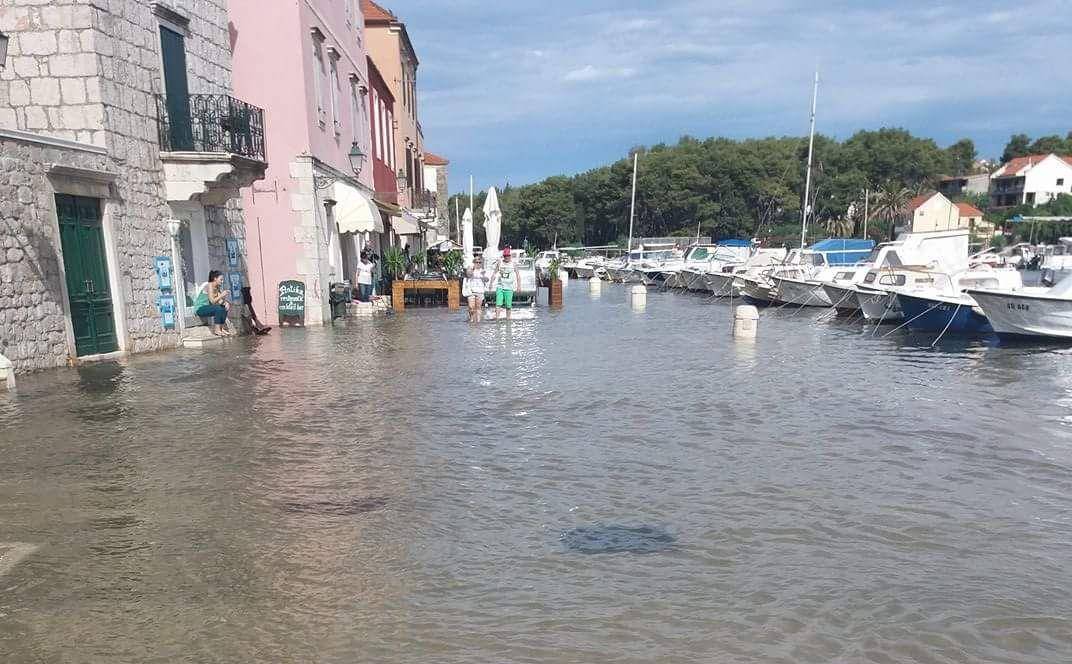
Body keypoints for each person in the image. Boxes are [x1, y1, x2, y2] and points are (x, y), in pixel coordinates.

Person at [193, 270, 233, 337]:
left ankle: (221, 328)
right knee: (218, 308)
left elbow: (219, 301)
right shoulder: (209, 285)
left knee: (224, 307)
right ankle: (217, 330)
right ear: (215, 279)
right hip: (200, 309)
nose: (222, 282)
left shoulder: (217, 287)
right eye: (221, 280)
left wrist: (226, 303)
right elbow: (212, 301)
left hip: (208, 308)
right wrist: (221, 295)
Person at [492, 247, 518, 320]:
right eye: (505, 256)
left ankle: (508, 319)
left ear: (510, 256)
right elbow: (494, 273)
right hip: (500, 286)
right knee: (498, 304)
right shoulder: (500, 263)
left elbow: (518, 275)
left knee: (508, 306)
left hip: (509, 288)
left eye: (508, 256)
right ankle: (497, 318)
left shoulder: (513, 264)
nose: (506, 257)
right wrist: (491, 283)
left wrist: (519, 286)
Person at [463, 259, 488, 323]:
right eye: (477, 262)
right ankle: (471, 319)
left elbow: (487, 280)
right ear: (474, 262)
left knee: (478, 307)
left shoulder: (483, 271)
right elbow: (468, 275)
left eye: (480, 262)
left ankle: (478, 321)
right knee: (471, 307)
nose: (478, 264)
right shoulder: (471, 269)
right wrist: (471, 270)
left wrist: (483, 276)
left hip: (480, 291)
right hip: (471, 291)